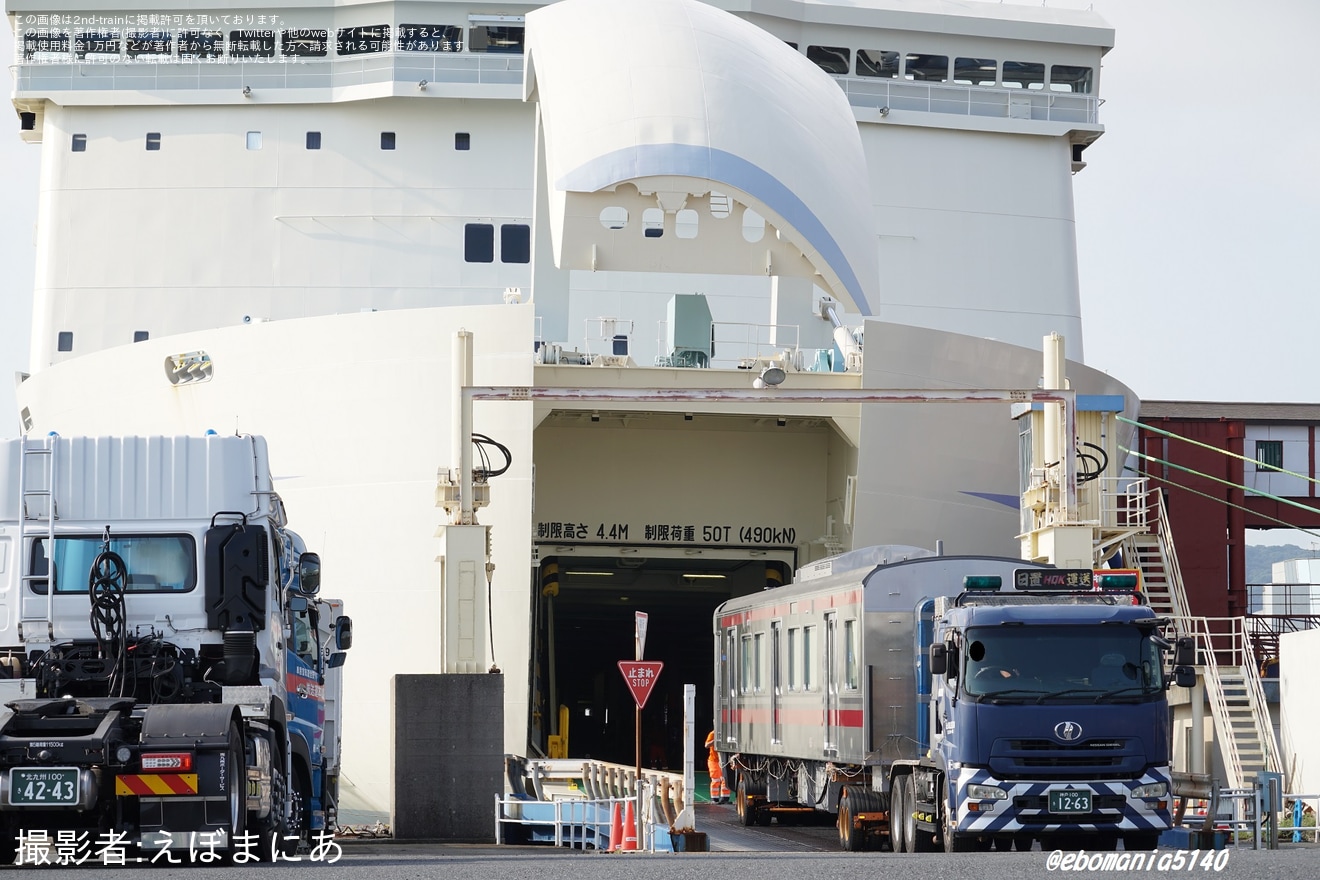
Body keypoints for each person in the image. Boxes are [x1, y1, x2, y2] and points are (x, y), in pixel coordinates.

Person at [706, 730, 729, 804]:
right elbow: (706, 745)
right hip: (714, 760)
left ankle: (725, 798)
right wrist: (714, 740)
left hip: (724, 760)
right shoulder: (712, 734)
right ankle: (714, 799)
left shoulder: (728, 733)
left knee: (725, 779)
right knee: (716, 779)